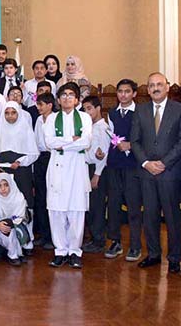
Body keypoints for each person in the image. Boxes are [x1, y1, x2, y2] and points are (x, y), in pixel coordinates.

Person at [130, 72, 181, 272]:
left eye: (159, 84)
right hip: (146, 172)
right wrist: (146, 162)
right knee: (150, 216)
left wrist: (164, 163)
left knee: (172, 217)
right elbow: (135, 140)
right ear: (147, 89)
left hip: (169, 172)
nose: (155, 88)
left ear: (167, 87)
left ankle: (174, 258)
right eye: (151, 85)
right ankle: (153, 254)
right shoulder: (140, 110)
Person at [42, 82, 92, 268]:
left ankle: (74, 251)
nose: (67, 97)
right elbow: (49, 142)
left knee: (76, 211)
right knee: (56, 211)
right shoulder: (52, 119)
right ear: (58, 99)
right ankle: (60, 250)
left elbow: (86, 142)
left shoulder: (85, 118)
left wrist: (62, 143)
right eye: (63, 95)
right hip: (57, 167)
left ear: (77, 99)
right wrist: (72, 140)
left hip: (77, 169)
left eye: (71, 94)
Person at [104, 79, 142, 260]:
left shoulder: (141, 113)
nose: (123, 95)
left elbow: (147, 139)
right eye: (120, 91)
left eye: (127, 91)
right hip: (114, 164)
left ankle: (135, 245)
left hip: (133, 166)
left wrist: (131, 146)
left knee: (133, 206)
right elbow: (111, 136)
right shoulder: (112, 113)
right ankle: (115, 241)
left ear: (134, 94)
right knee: (113, 205)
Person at [0, 101, 39, 215]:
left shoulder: (25, 129)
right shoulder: (0, 129)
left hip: (22, 172)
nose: (10, 116)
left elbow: (34, 154)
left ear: (19, 114)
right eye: (7, 113)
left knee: (25, 203)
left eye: (13, 113)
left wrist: (19, 162)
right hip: (4, 173)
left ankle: (26, 232)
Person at [82, 96, 110, 254]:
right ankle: (93, 237)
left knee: (97, 206)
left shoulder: (103, 128)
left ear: (98, 108)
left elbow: (103, 156)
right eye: (84, 109)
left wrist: (97, 175)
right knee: (90, 205)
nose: (87, 112)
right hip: (87, 168)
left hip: (96, 170)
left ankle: (99, 240)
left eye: (89, 108)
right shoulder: (90, 127)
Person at [0, 173, 33, 266]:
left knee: (14, 226)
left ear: (11, 184)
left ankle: (20, 250)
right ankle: (13, 255)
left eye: (6, 185)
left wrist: (11, 222)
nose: (3, 189)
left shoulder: (18, 197)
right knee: (8, 227)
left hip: (17, 225)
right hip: (0, 230)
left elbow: (19, 216)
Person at [32, 92, 55, 249]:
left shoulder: (56, 119)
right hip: (40, 158)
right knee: (41, 197)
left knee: (52, 197)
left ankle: (54, 237)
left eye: (41, 104)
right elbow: (35, 141)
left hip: (53, 158)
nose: (38, 107)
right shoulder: (39, 120)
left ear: (50, 105)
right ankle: (44, 235)